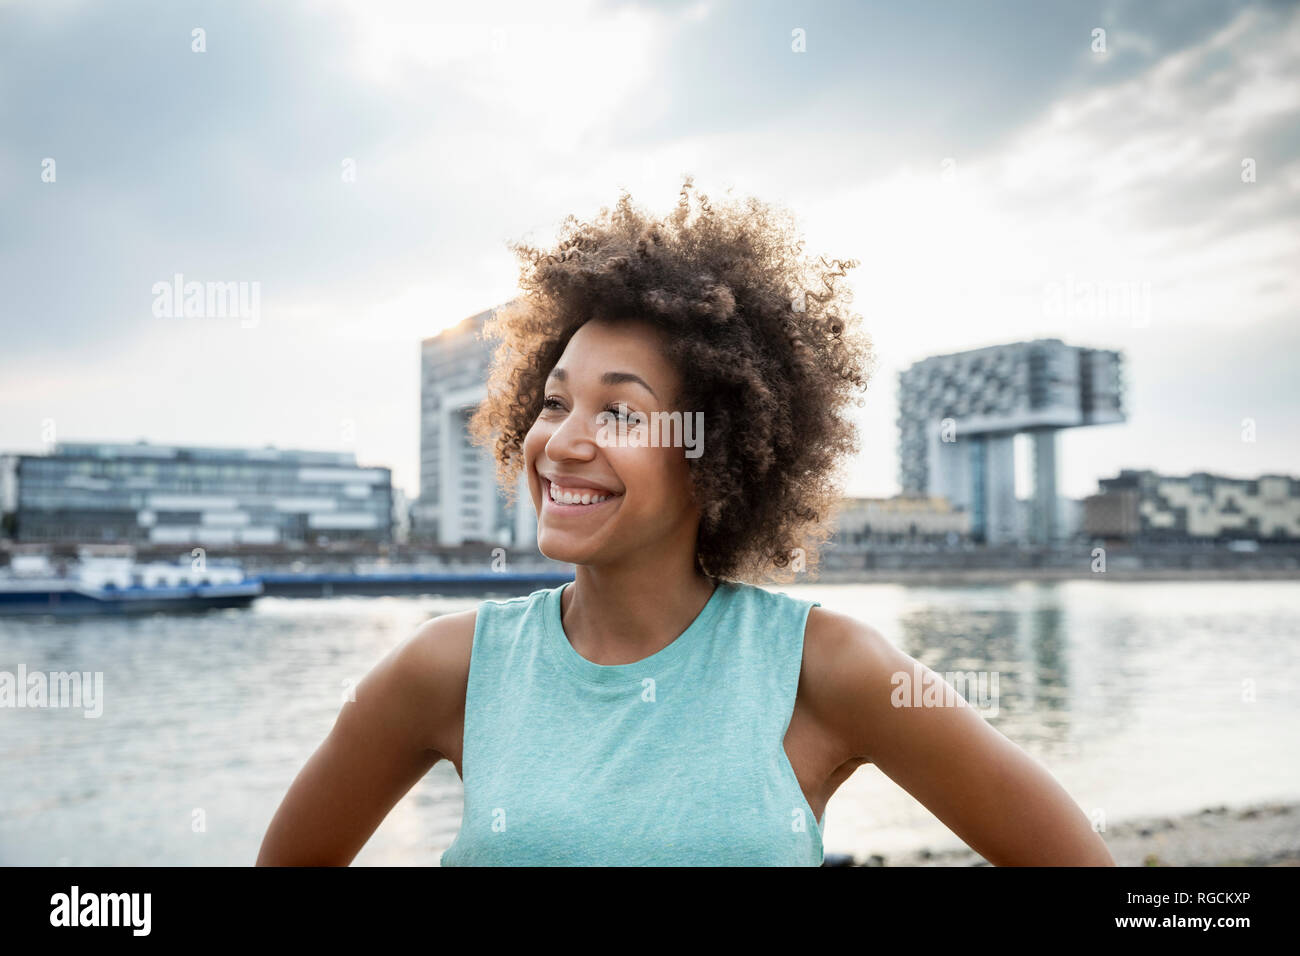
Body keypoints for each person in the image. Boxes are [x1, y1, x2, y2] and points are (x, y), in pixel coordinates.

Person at [256, 178, 1115, 866]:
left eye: (621, 414)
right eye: (554, 403)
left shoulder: (829, 668)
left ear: (714, 449)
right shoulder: (446, 669)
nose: (563, 442)